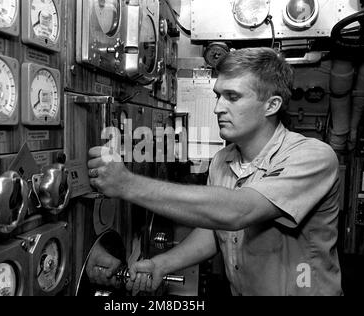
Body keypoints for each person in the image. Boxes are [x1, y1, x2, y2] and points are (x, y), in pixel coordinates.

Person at [87, 47, 343, 296]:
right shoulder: (222, 159)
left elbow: (239, 211)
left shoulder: (312, 157)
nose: (218, 108)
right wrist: (162, 264)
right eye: (217, 96)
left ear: (272, 105)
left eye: (232, 97)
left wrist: (127, 184)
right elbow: (216, 229)